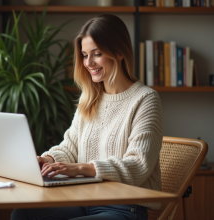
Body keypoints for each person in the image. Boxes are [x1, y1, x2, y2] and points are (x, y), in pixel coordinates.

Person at [11, 14, 162, 220]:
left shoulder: (145, 99)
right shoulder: (90, 97)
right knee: (22, 215)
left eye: (96, 54)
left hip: (123, 207)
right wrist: (48, 160)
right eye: (84, 55)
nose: (88, 62)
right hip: (82, 200)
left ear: (119, 52)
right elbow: (70, 147)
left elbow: (138, 165)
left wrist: (82, 168)